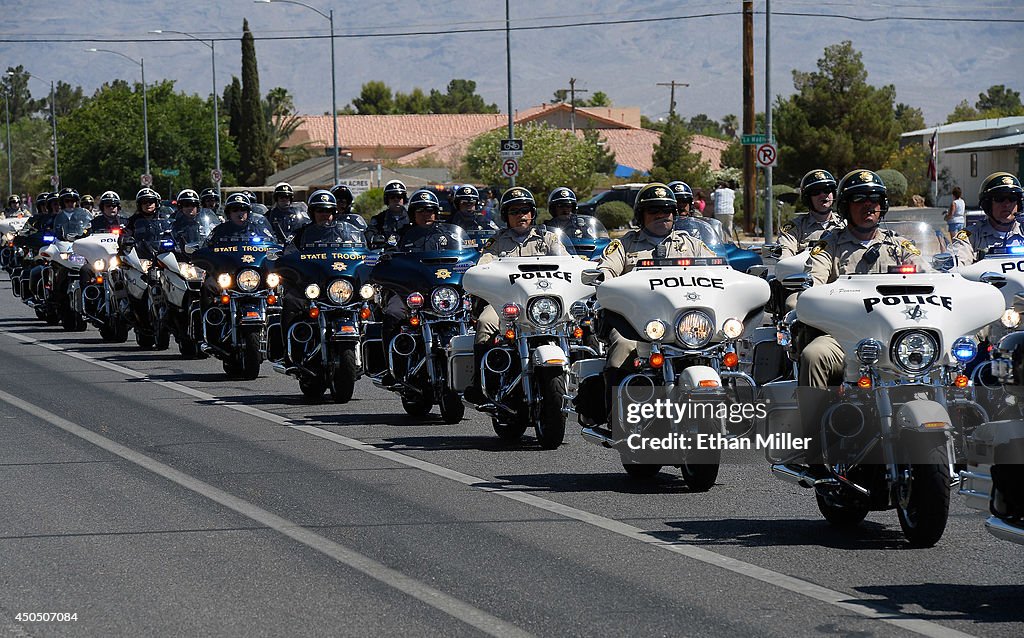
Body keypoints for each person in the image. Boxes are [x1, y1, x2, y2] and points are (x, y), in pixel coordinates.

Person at [573, 183, 716, 426]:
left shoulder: (691, 244)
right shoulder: (626, 245)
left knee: (721, 348)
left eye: (667, 210)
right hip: (636, 323)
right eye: (654, 211)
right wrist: (604, 281)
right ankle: (616, 416)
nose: (662, 216)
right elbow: (606, 270)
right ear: (641, 216)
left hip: (684, 322)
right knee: (622, 347)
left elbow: (718, 268)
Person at [799, 170, 928, 388]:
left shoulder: (900, 246)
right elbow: (813, 288)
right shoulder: (827, 247)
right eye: (858, 199)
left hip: (899, 333)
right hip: (844, 336)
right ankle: (813, 421)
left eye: (874, 199)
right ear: (845, 206)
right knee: (814, 355)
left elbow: (931, 280)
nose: (868, 205)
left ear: (882, 206)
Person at [463, 187, 568, 404]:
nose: (521, 215)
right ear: (506, 216)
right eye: (514, 211)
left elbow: (568, 263)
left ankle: (584, 381)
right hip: (506, 304)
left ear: (532, 213)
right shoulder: (498, 241)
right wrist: (480, 271)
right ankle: (482, 382)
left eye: (525, 210)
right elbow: (484, 264)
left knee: (581, 322)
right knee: (484, 322)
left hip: (544, 305)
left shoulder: (548, 239)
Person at [950, 173, 1024, 266]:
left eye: (1012, 198)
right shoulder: (969, 236)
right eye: (1000, 198)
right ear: (987, 204)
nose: (1007, 204)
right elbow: (956, 268)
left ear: (1019, 204)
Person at [778, 169, 845, 258]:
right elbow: (785, 258)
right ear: (807, 198)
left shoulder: (846, 224)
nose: (823, 195)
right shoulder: (794, 229)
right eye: (816, 192)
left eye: (827, 190)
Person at [367, 180, 411, 248]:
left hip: (408, 254)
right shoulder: (378, 219)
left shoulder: (412, 217)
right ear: (387, 199)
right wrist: (375, 238)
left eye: (399, 196)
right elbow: (370, 233)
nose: (396, 200)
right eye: (392, 197)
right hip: (385, 254)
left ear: (404, 198)